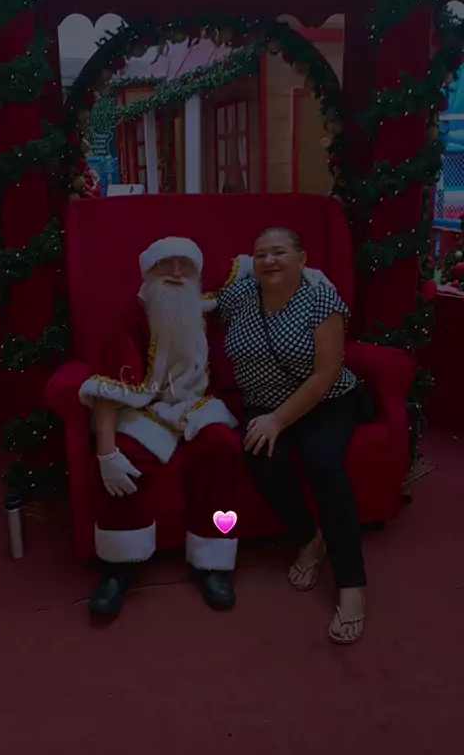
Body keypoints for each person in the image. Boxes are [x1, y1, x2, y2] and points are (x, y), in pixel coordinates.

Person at [215, 227, 367, 645]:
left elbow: (326, 373)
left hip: (325, 399)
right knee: (260, 456)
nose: (269, 260)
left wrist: (278, 420)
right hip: (263, 401)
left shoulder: (321, 299)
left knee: (323, 463)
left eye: (279, 252)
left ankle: (351, 583)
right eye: (260, 254)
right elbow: (199, 303)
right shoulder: (240, 295)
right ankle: (308, 538)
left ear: (302, 259)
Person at [79, 237, 239, 618]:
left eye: (186, 266)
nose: (177, 273)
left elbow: (247, 267)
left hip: (196, 405)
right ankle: (119, 565)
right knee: (128, 459)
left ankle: (212, 560)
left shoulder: (203, 306)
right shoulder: (131, 317)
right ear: (148, 272)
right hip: (144, 409)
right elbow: (106, 386)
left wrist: (308, 273)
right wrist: (106, 453)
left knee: (221, 448)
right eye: (166, 265)